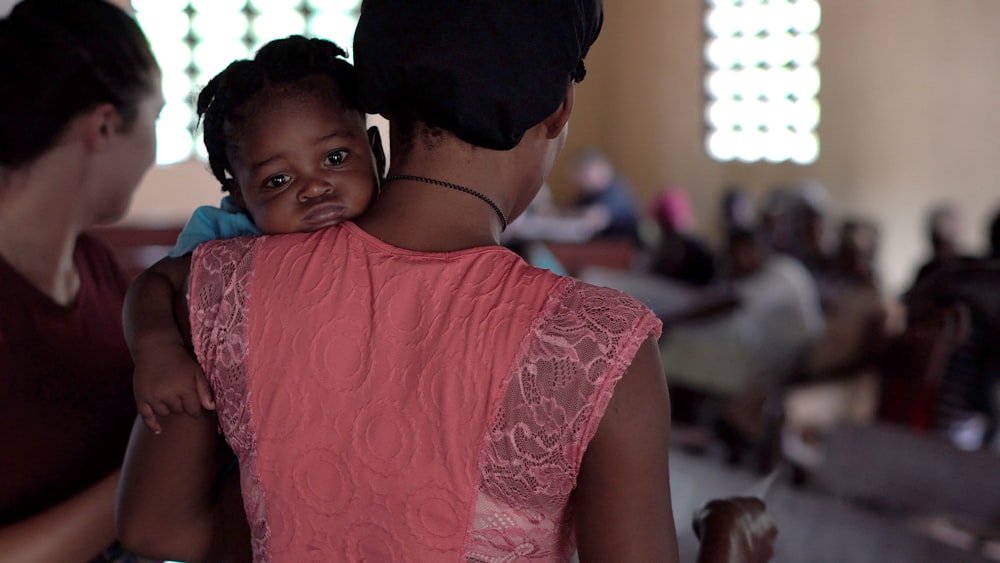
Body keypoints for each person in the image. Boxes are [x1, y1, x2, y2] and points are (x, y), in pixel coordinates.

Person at [117, 2, 775, 562]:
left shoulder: (222, 284)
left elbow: (155, 526)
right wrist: (728, 542)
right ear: (557, 106)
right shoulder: (602, 347)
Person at [127, 35, 383, 435]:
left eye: (335, 158)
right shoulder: (230, 236)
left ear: (376, 155)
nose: (314, 188)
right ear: (241, 197)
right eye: (277, 180)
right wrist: (158, 350)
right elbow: (154, 282)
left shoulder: (393, 221)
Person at [0, 1, 162, 560]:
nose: (154, 147)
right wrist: (154, 471)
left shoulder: (93, 265)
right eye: (156, 119)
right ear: (105, 124)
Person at [568, 147, 641, 241]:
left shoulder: (616, 193)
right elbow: (573, 209)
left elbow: (596, 219)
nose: (578, 179)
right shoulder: (589, 194)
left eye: (583, 172)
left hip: (620, 248)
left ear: (601, 169)